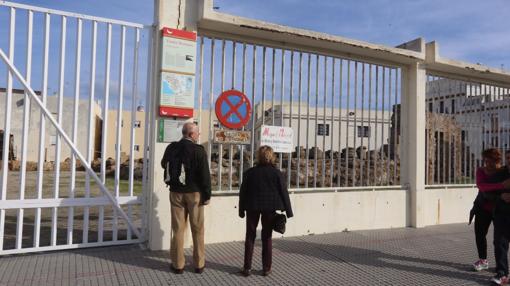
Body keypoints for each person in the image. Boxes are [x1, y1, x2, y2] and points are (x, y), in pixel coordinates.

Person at [161, 122, 211, 274]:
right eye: (197, 133)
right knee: (197, 229)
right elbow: (205, 175)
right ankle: (199, 264)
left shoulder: (171, 147)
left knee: (178, 230)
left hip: (176, 192)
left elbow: (164, 164)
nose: (198, 135)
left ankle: (178, 265)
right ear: (191, 134)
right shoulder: (199, 150)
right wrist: (207, 195)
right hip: (195, 194)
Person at [238, 146, 293, 277]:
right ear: (271, 156)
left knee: (250, 236)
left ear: (258, 156)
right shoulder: (276, 173)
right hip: (270, 208)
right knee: (267, 237)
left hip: (252, 207)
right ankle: (266, 268)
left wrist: (241, 210)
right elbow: (284, 192)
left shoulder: (250, 172)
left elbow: (243, 193)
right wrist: (289, 211)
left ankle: (247, 268)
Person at [471, 148, 508, 272]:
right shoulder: (481, 171)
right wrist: (501, 185)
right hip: (482, 208)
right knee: (480, 234)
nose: (487, 163)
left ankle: (501, 266)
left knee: (499, 240)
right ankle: (483, 260)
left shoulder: (503, 171)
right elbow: (482, 186)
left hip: (499, 210)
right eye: (485, 160)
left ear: (497, 160)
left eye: (490, 161)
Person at [491, 150, 510, 285]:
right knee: (500, 244)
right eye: (508, 158)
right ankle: (502, 274)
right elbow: (489, 193)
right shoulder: (499, 174)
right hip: (501, 215)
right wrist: (500, 196)